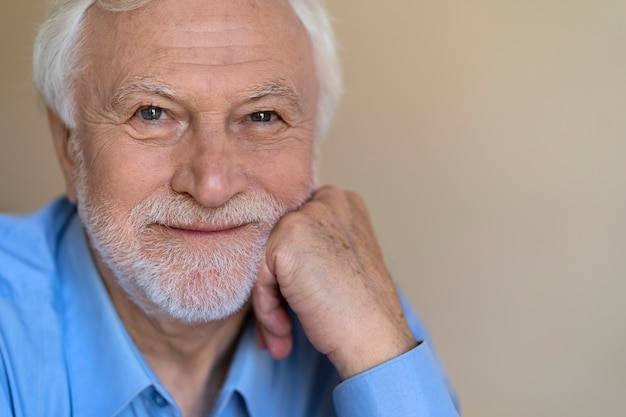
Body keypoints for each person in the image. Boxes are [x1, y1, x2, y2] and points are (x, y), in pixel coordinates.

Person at [0, 0, 460, 416]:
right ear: (69, 144)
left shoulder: (357, 305)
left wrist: (378, 350)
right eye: (152, 113)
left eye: (262, 116)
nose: (212, 185)